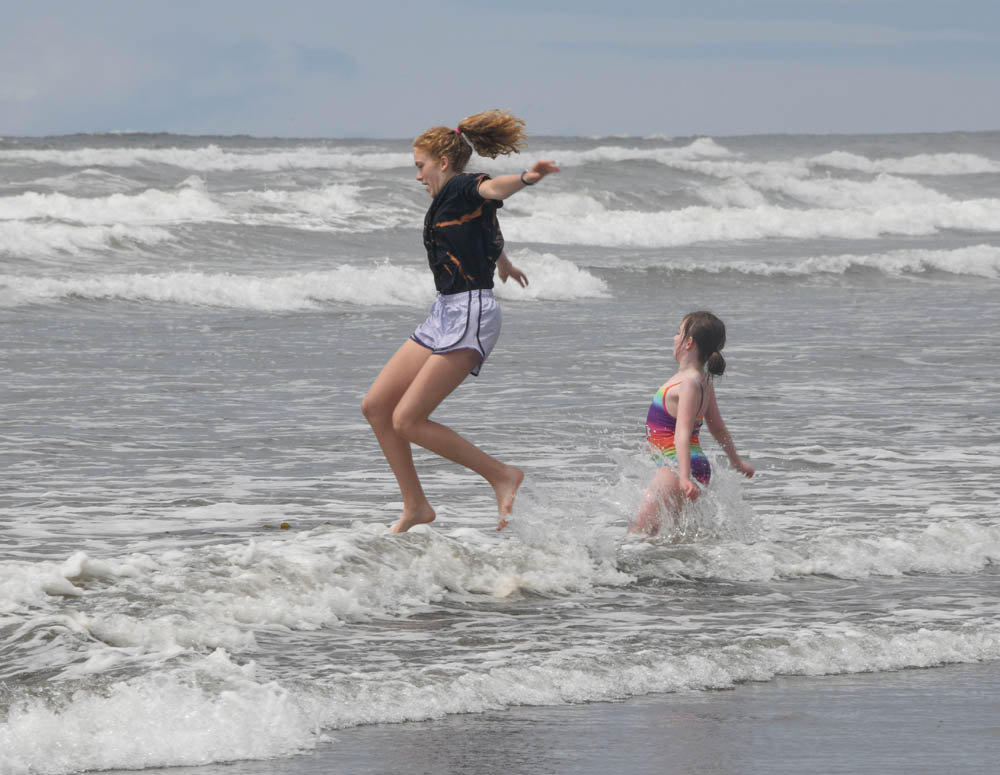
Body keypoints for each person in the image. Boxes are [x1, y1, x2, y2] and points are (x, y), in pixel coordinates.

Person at [361, 109, 559, 533]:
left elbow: (493, 190)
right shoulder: (448, 201)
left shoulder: (466, 185)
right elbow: (485, 227)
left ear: (443, 163)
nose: (417, 176)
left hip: (471, 311)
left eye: (421, 166)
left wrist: (526, 178)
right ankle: (416, 505)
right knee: (377, 407)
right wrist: (502, 261)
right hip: (444, 311)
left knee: (408, 420)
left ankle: (502, 475)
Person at [629, 311, 754, 536]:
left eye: (678, 332)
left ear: (689, 342)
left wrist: (684, 476)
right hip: (693, 465)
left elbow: (683, 433)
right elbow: (717, 428)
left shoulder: (688, 383)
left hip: (677, 465)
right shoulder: (703, 381)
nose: (674, 338)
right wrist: (736, 461)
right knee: (668, 535)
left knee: (639, 529)